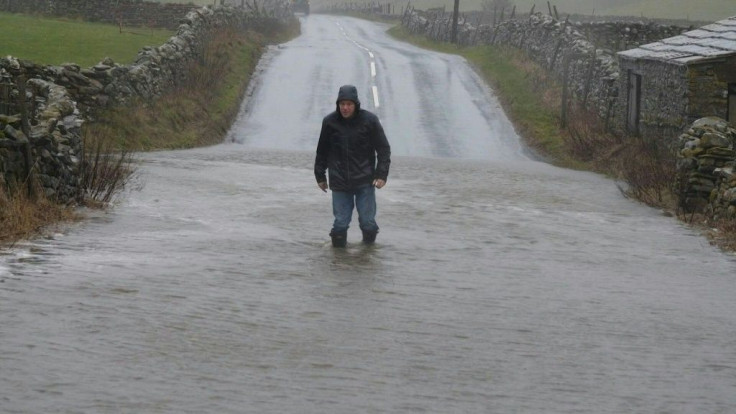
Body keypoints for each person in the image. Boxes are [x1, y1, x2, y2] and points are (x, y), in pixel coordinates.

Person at [314, 85, 391, 248]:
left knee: (367, 223)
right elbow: (322, 151)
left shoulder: (369, 121)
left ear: (356, 104)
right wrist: (320, 176)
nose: (345, 108)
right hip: (339, 181)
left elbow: (383, 149)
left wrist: (381, 175)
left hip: (365, 180)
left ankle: (368, 255)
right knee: (340, 225)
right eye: (342, 104)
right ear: (338, 104)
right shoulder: (329, 122)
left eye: (349, 104)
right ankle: (338, 264)